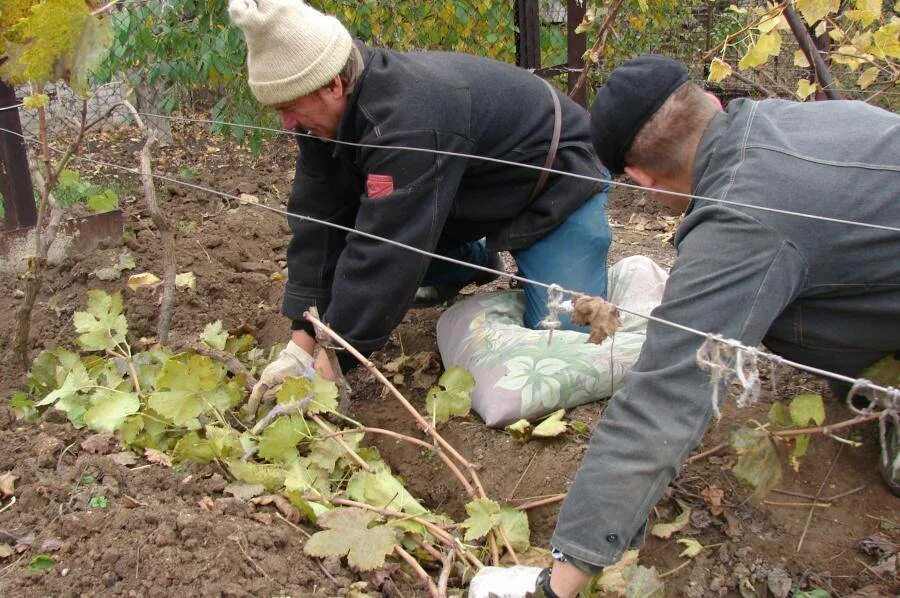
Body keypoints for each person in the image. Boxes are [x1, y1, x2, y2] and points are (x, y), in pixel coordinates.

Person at [471, 55, 900, 598]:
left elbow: (662, 401)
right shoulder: (806, 119)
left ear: (640, 180)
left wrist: (555, 583)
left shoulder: (743, 221)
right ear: (712, 104)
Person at [227, 0, 613, 397]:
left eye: (290, 108)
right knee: (371, 252)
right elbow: (319, 223)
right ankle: (472, 259)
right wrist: (300, 346)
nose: (287, 123)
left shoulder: (407, 121)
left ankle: (511, 255)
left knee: (566, 337)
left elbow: (386, 251)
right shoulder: (323, 118)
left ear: (333, 85)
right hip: (467, 194)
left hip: (552, 188)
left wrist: (326, 370)